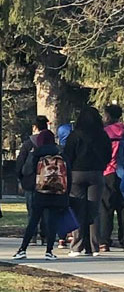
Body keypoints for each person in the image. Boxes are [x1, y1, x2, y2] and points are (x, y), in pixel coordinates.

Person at [12, 129, 71, 260]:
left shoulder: (36, 154)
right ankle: (49, 251)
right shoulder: (61, 154)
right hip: (57, 193)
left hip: (40, 193)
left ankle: (23, 249)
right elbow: (68, 175)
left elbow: (26, 170)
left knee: (33, 221)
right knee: (52, 222)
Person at [63, 105, 112, 255]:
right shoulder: (102, 135)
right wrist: (101, 166)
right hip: (96, 173)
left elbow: (67, 155)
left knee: (78, 210)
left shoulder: (75, 135)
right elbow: (108, 154)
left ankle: (77, 246)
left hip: (77, 173)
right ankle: (94, 246)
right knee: (94, 210)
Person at [15, 115, 51, 244]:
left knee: (32, 210)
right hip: (48, 180)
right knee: (46, 210)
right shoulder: (51, 142)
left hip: (30, 180)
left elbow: (20, 163)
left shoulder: (28, 143)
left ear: (34, 127)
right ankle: (45, 236)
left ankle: (32, 235)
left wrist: (20, 178)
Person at [99, 104, 124, 251]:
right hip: (123, 172)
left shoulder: (105, 132)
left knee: (106, 207)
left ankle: (104, 241)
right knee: (122, 208)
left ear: (108, 116)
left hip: (108, 171)